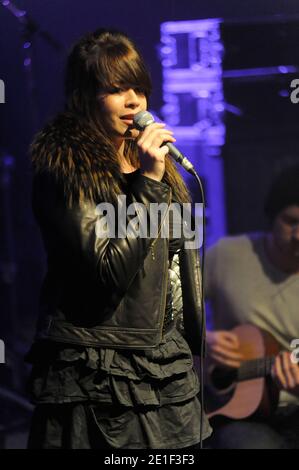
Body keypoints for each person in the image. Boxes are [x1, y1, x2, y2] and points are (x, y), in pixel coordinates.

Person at [26, 28, 211, 449]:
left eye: (138, 88)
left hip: (163, 363)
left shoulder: (157, 166)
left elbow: (174, 267)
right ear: (85, 96)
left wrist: (192, 337)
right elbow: (109, 272)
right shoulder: (68, 170)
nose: (134, 102)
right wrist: (148, 182)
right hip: (98, 367)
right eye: (116, 90)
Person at [204, 165, 299, 449]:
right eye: (290, 221)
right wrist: (201, 341)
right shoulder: (227, 255)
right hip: (233, 409)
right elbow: (166, 311)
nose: (298, 235)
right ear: (271, 218)